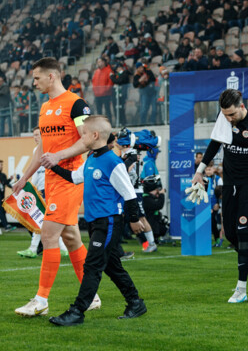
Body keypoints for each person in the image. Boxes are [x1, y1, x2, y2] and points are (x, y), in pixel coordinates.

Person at [13, 57, 100, 317]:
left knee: (49, 234)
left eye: (37, 78)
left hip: (70, 178)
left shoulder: (76, 103)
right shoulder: (44, 107)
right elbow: (43, 150)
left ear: (52, 76)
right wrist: (24, 178)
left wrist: (60, 157)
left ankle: (41, 300)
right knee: (71, 238)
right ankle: (92, 295)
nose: (34, 82)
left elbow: (88, 139)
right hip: (51, 179)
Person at [48, 115, 146, 326]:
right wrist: (52, 164)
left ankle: (77, 311)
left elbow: (129, 193)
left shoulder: (113, 161)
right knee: (112, 267)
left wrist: (134, 219)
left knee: (91, 266)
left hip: (108, 222)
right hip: (95, 222)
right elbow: (75, 178)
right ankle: (135, 302)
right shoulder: (91, 157)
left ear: (94, 135)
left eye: (83, 133)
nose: (80, 137)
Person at [191, 89, 248, 303]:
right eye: (224, 114)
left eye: (231, 114)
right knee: (231, 235)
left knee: (242, 233)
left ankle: (241, 289)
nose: (228, 118)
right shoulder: (223, 118)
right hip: (230, 183)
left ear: (242, 107)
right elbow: (215, 143)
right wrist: (200, 170)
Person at [17, 127, 69, 258]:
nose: (35, 137)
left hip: (51, 188)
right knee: (44, 219)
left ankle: (34, 248)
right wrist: (32, 187)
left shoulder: (51, 149)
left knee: (43, 219)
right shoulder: (36, 150)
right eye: (34, 135)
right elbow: (37, 172)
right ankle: (61, 248)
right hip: (40, 190)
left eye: (37, 135)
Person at [142, 175, 167, 243]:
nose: (158, 192)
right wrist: (162, 195)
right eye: (156, 190)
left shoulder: (149, 197)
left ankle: (155, 238)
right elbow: (159, 205)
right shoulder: (146, 198)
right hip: (149, 224)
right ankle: (150, 241)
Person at [0, 160, 17, 234]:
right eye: (0, 165)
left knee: (2, 211)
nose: (1, 166)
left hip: (1, 197)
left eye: (1, 165)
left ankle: (6, 225)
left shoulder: (3, 175)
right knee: (1, 211)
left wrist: (10, 180)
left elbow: (6, 183)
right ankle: (6, 225)